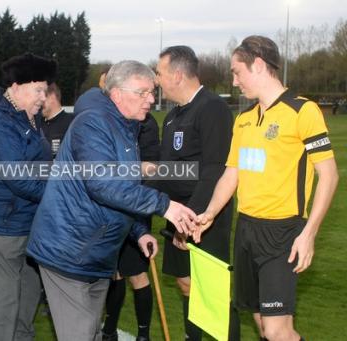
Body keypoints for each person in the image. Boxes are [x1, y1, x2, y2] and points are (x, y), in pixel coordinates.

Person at [26, 60, 197, 341]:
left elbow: (121, 191)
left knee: (91, 333)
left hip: (97, 253)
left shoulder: (126, 127)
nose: (152, 99)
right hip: (69, 251)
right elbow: (103, 185)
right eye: (142, 92)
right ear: (117, 94)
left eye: (152, 92)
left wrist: (139, 232)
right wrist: (165, 205)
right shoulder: (93, 124)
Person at [195, 35, 339, 341]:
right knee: (263, 325)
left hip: (283, 233)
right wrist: (209, 212)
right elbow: (231, 174)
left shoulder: (303, 111)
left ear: (258, 65)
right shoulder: (244, 119)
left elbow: (329, 175)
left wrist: (308, 233)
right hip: (246, 230)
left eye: (237, 71)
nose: (234, 81)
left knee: (277, 331)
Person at [155, 45, 240, 341]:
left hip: (204, 218)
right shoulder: (171, 117)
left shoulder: (212, 107)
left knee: (212, 291)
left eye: (160, 73)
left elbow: (214, 170)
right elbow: (169, 171)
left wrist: (190, 222)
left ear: (177, 75)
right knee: (186, 283)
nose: (157, 80)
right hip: (178, 215)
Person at [0, 53, 56, 341]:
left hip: (31, 224)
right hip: (3, 228)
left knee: (27, 303)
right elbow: (19, 178)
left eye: (44, 91)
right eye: (38, 90)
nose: (43, 98)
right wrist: (58, 194)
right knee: (7, 307)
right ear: (16, 86)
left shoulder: (28, 117)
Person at [101, 74, 159, 341]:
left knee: (137, 274)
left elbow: (151, 167)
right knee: (114, 274)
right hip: (112, 209)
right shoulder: (107, 124)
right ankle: (110, 330)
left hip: (136, 205)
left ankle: (143, 334)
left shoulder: (145, 125)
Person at [40, 83, 74, 158]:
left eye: (41, 98)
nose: (39, 103)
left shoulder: (72, 123)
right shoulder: (37, 124)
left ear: (52, 97)